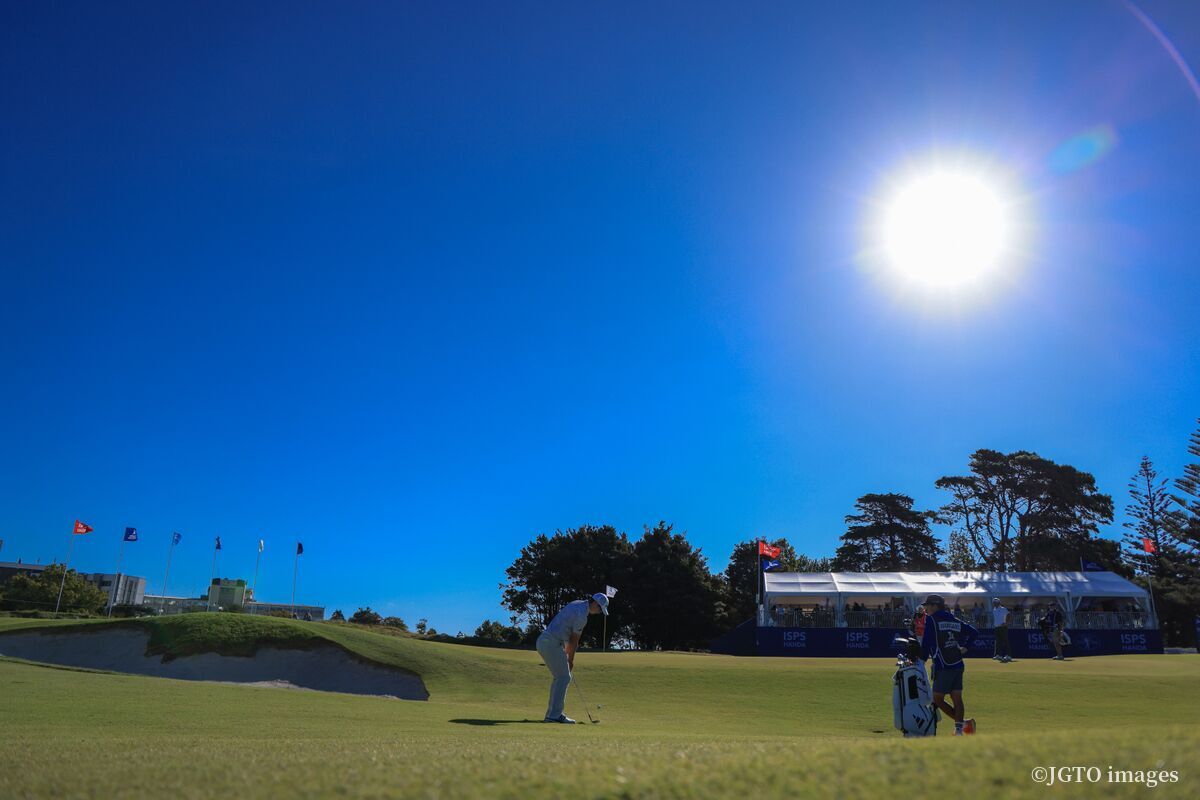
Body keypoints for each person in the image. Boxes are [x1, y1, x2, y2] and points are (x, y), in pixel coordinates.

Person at [535, 593, 609, 723]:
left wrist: (565, 652)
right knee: (564, 676)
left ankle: (553, 713)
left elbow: (564, 627)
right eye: (599, 609)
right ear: (595, 603)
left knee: (561, 677)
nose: (598, 612)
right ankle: (553, 716)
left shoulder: (576, 603)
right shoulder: (582, 616)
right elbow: (574, 640)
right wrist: (570, 660)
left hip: (546, 641)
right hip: (551, 643)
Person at [920, 594, 978, 736]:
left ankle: (964, 724)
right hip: (958, 663)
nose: (925, 608)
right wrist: (966, 647)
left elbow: (926, 643)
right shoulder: (953, 619)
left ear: (934, 606)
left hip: (943, 665)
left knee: (937, 699)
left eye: (927, 605)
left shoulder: (931, 620)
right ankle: (960, 729)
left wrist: (920, 659)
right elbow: (973, 633)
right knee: (957, 698)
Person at [991, 598, 1011, 662]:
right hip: (997, 627)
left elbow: (1008, 615)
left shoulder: (1003, 609)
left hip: (1003, 627)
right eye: (993, 602)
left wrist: (1006, 623)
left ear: (998, 603)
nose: (994, 604)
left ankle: (1008, 656)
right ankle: (998, 655)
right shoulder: (994, 610)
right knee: (998, 642)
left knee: (1005, 642)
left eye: (995, 602)